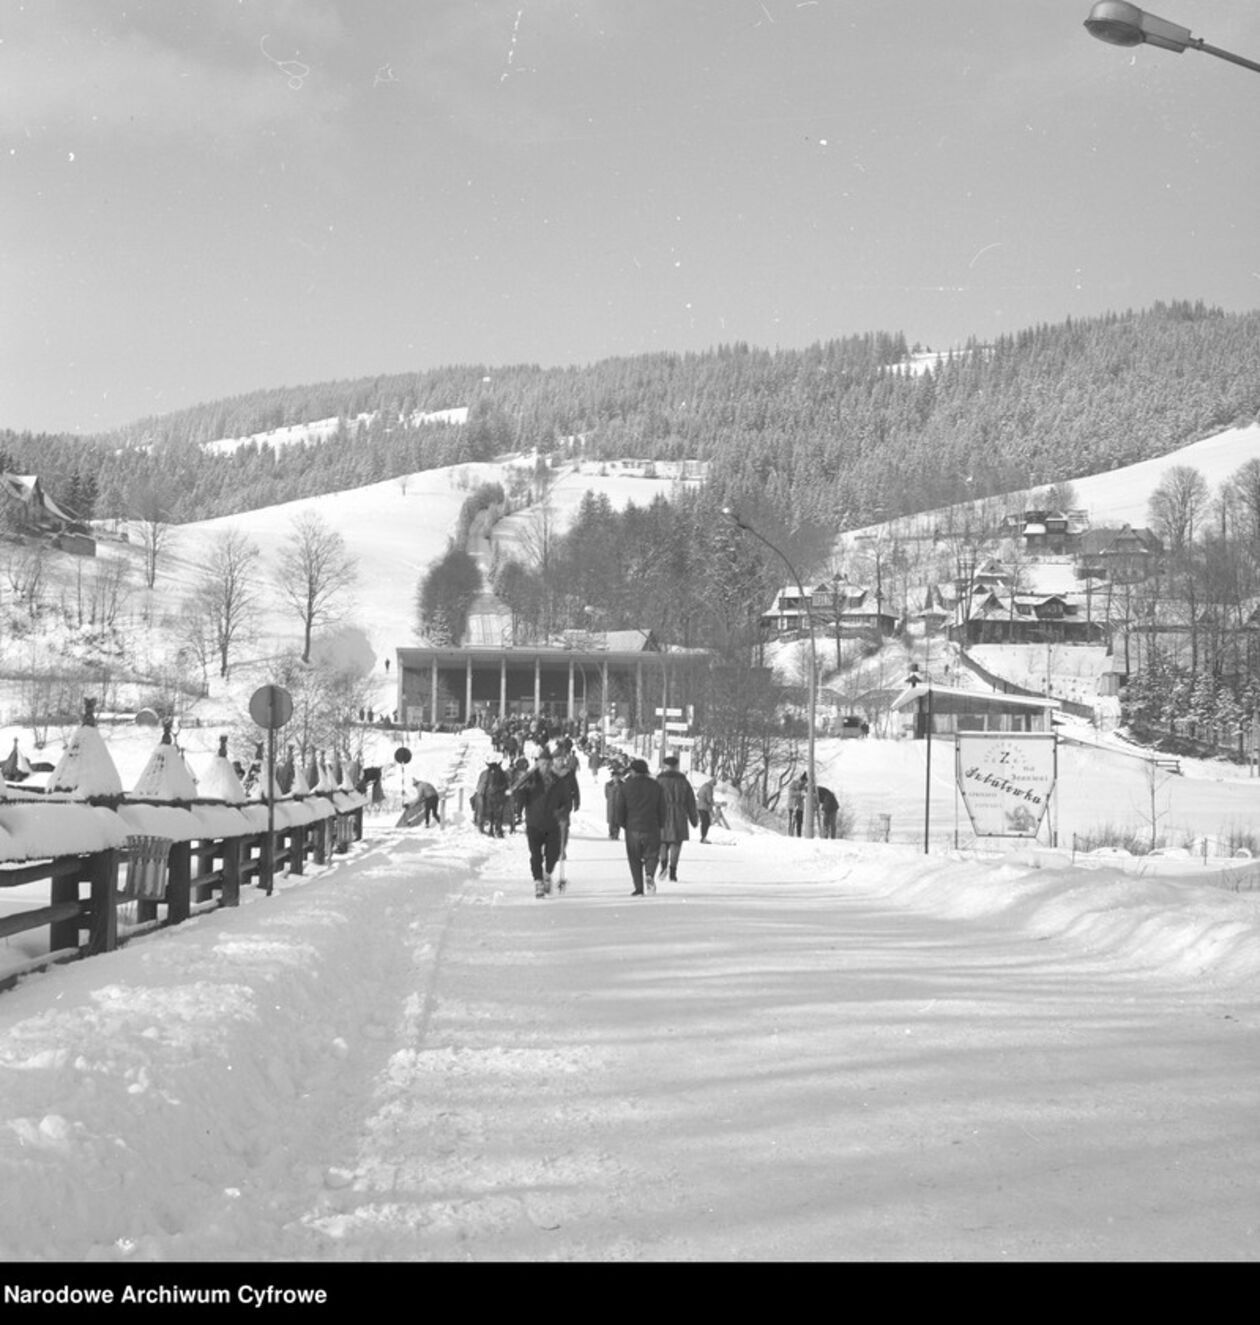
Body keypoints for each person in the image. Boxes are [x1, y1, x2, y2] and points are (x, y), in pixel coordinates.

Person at [510, 749, 575, 898]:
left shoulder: (559, 782)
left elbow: (567, 802)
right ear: (537, 764)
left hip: (553, 824)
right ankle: (538, 882)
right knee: (535, 855)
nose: (544, 766)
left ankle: (547, 874)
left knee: (553, 854)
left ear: (551, 764)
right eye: (542, 763)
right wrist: (518, 792)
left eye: (547, 764)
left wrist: (563, 812)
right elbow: (520, 799)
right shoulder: (530, 780)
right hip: (534, 823)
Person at [612, 758, 666, 896]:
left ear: (633, 771)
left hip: (632, 828)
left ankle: (638, 887)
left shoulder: (625, 787)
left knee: (634, 858)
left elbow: (619, 809)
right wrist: (661, 824)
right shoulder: (656, 786)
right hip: (652, 826)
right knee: (652, 854)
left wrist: (624, 824)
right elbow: (662, 808)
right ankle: (649, 874)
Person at [657, 755, 698, 883]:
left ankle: (663, 866)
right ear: (676, 767)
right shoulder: (684, 782)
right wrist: (693, 819)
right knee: (676, 843)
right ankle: (673, 872)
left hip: (662, 813)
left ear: (665, 766)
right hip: (679, 814)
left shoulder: (658, 781)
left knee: (662, 842)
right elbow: (691, 802)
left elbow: (652, 798)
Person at [551, 739, 582, 884]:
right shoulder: (548, 773)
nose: (560, 761)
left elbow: (575, 788)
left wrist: (577, 801)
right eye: (557, 759)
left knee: (564, 828)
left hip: (564, 807)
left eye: (562, 759)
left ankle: (562, 849)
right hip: (550, 807)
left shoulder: (568, 773)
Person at [605, 764, 625, 839]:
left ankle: (616, 835)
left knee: (617, 820)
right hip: (611, 804)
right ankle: (611, 833)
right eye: (614, 777)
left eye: (617, 777)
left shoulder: (623, 785)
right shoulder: (608, 785)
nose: (615, 778)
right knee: (611, 820)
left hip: (619, 805)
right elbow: (606, 795)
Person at [695, 776, 716, 843]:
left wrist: (702, 799)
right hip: (704, 807)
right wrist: (713, 802)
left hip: (699, 806)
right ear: (713, 784)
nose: (714, 786)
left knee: (705, 822)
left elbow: (698, 794)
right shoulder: (709, 788)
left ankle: (703, 837)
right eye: (714, 785)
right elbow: (709, 799)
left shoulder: (703, 786)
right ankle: (703, 838)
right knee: (706, 823)